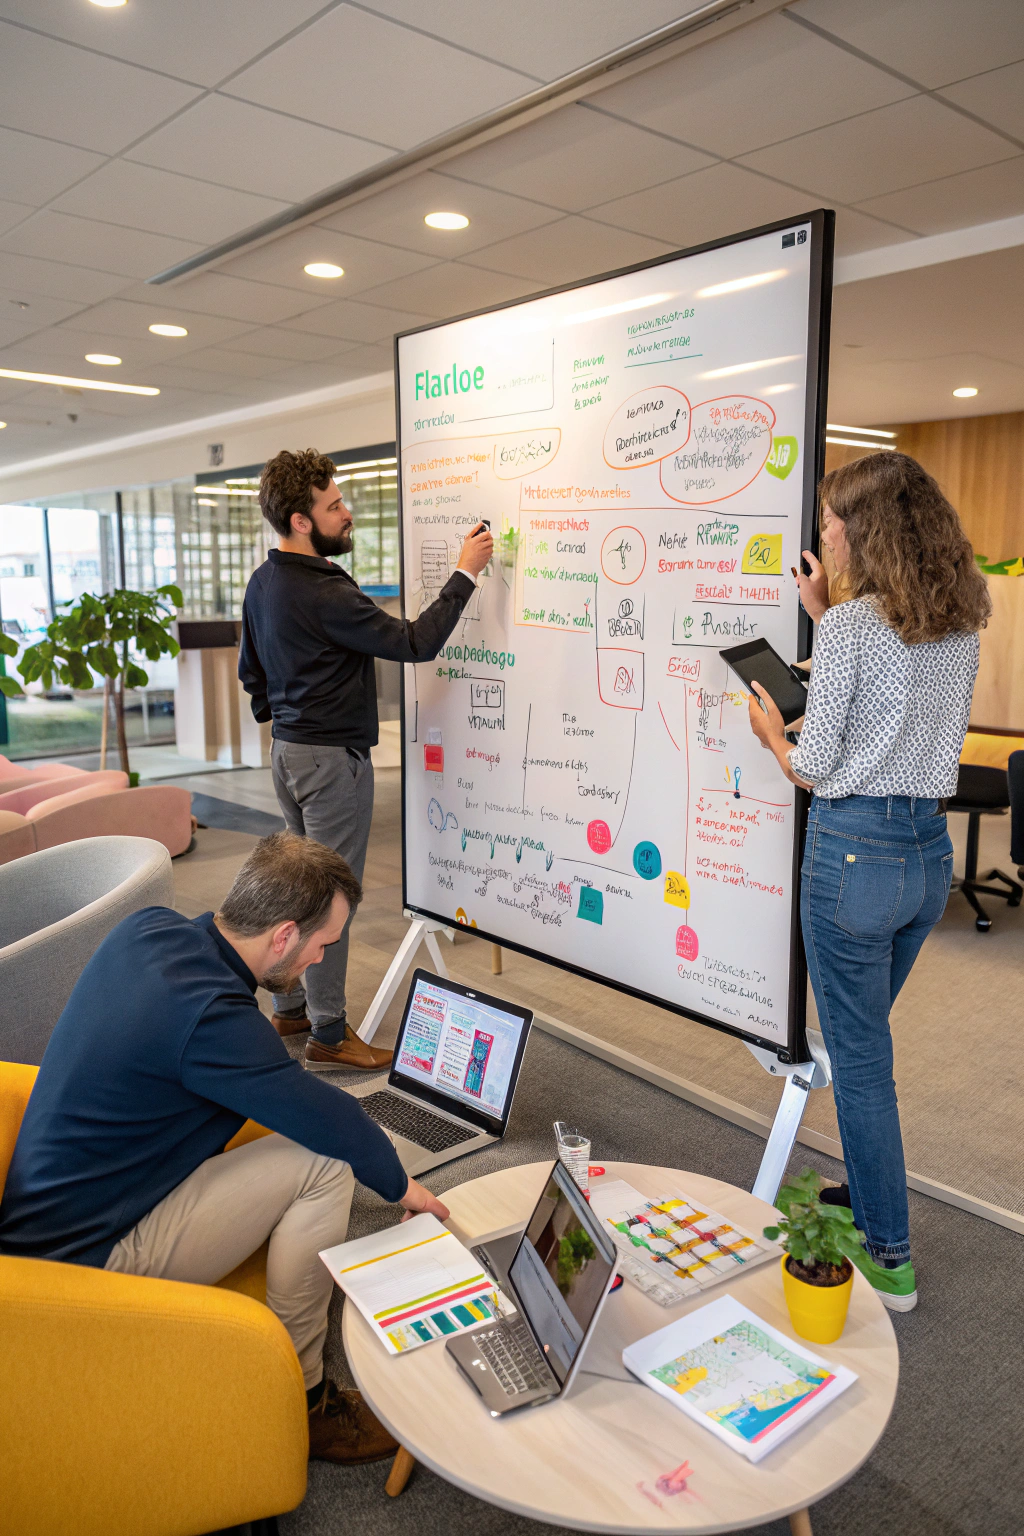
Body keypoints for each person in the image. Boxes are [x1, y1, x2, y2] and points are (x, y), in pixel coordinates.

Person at [0, 831, 451, 1463]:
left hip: (50, 1220)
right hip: (83, 1259)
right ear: (284, 935)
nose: (321, 959)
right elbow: (335, 1119)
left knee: (306, 1141)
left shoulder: (149, 929)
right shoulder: (213, 1018)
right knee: (326, 1163)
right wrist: (407, 1190)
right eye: (323, 944)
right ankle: (302, 1398)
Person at [745, 452, 990, 1311]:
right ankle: (869, 1196)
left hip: (853, 855)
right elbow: (890, 704)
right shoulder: (956, 625)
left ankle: (889, 1258)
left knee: (860, 1065)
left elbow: (815, 765)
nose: (822, 533)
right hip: (926, 855)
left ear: (865, 530)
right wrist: (822, 613)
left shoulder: (855, 629)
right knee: (864, 1048)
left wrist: (773, 736)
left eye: (829, 520)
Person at [239, 448, 493, 1070]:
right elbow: (415, 641)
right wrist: (465, 573)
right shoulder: (323, 592)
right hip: (329, 761)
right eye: (333, 506)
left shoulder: (264, 581)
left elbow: (253, 676)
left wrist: (291, 718)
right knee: (330, 898)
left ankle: (290, 1009)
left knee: (296, 887)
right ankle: (329, 1032)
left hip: (289, 754)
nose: (346, 513)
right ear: (301, 521)